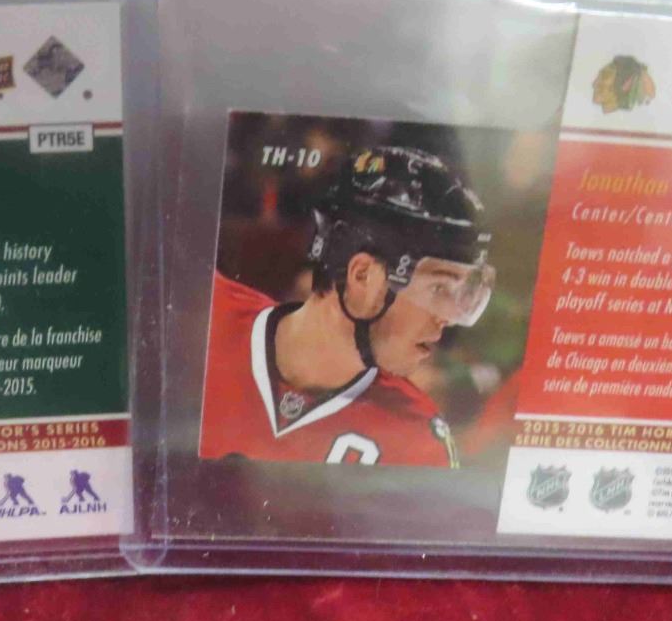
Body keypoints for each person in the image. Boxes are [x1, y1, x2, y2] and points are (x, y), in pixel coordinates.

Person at [199, 144, 494, 467]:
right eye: (438, 288)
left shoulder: (420, 445)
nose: (446, 318)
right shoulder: (197, 314)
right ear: (363, 275)